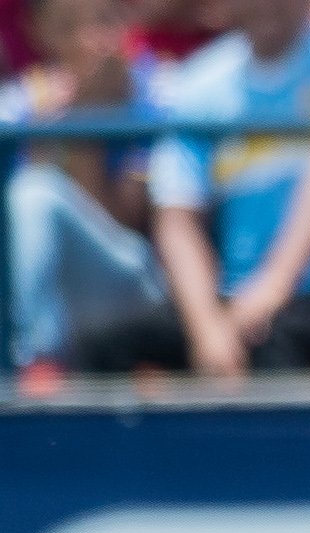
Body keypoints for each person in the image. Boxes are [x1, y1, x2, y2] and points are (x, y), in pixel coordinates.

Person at [64, 0, 310, 376]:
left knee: (273, 344)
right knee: (102, 346)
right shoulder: (201, 80)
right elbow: (177, 217)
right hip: (238, 297)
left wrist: (273, 287)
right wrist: (206, 326)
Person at [4, 0, 167, 372]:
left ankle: (39, 360)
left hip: (140, 286)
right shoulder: (20, 104)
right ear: (40, 32)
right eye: (67, 27)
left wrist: (84, 129)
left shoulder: (157, 91)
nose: (88, 41)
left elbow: (130, 222)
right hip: (54, 303)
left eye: (104, 20)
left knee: (36, 194)